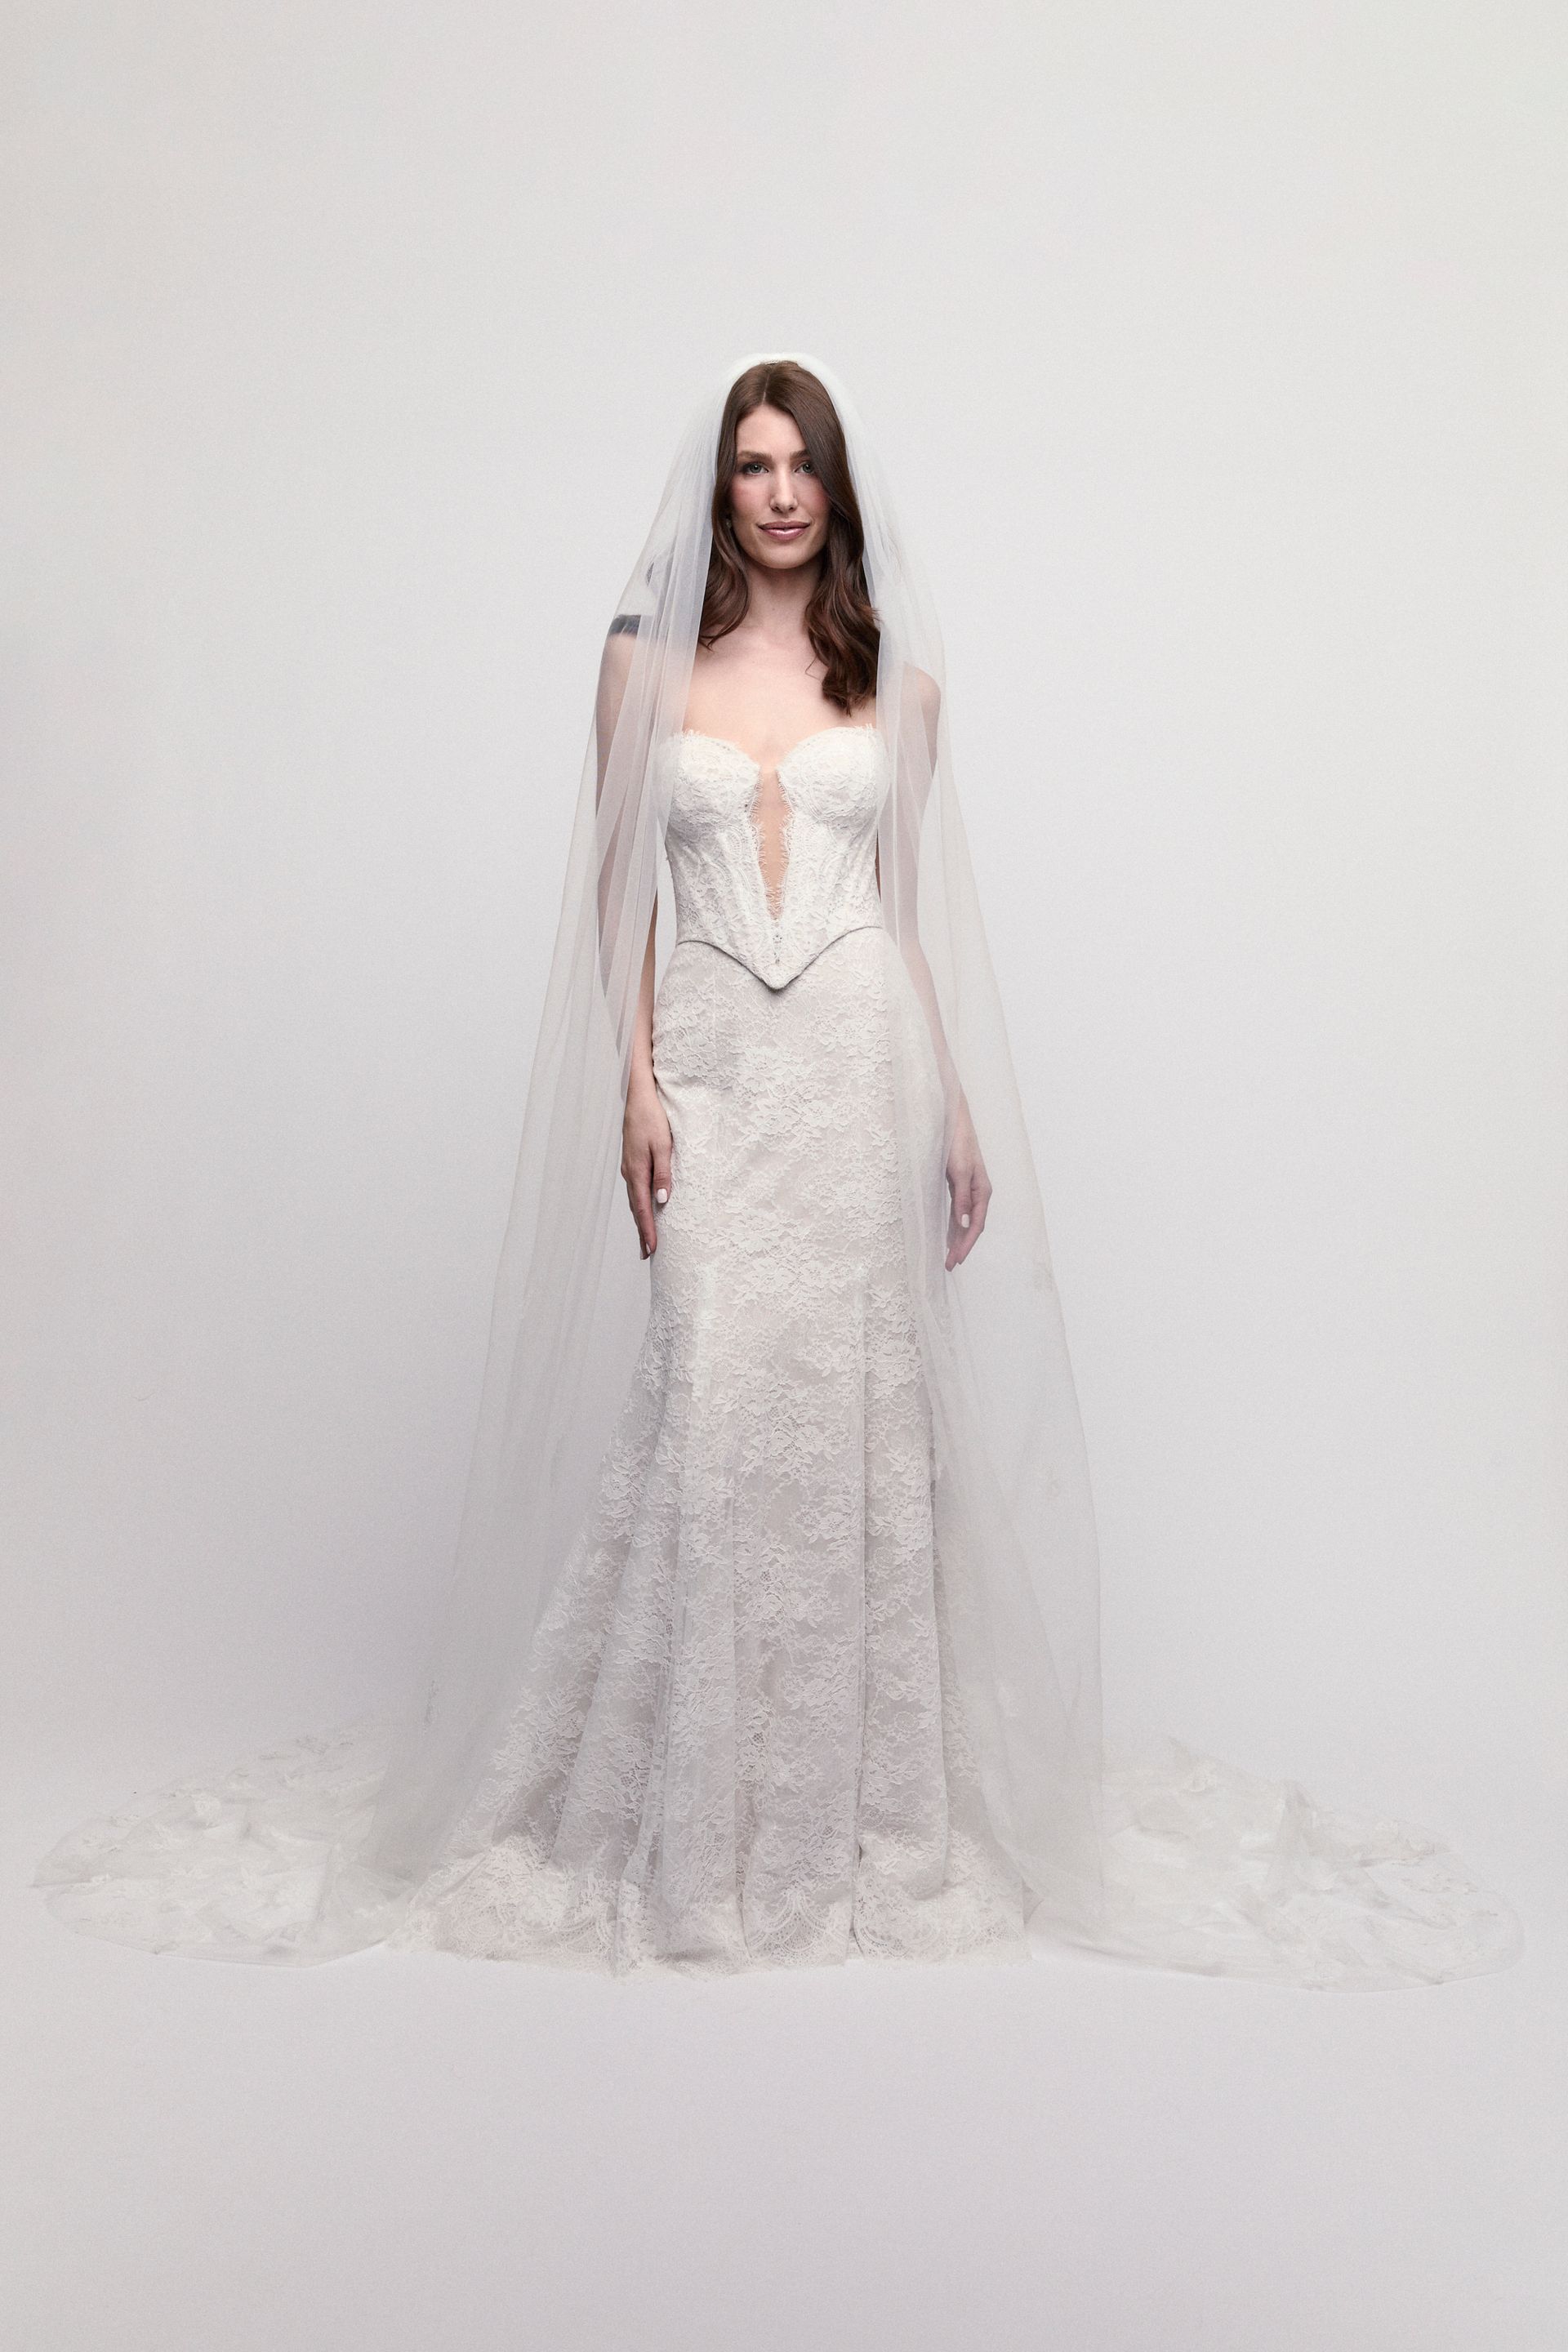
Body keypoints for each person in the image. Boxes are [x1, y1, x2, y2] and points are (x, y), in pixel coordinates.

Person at [34, 354, 1521, 1988]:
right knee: (715, 1405)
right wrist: (632, 1086)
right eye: (754, 465)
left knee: (856, 1418)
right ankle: (683, 1816)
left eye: (804, 463)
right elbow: (615, 903)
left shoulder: (901, 684)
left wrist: (951, 1104)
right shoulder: (635, 665)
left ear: (840, 486)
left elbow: (907, 911)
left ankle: (864, 1817)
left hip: (860, 1065)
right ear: (718, 489)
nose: (785, 491)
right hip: (715, 1069)